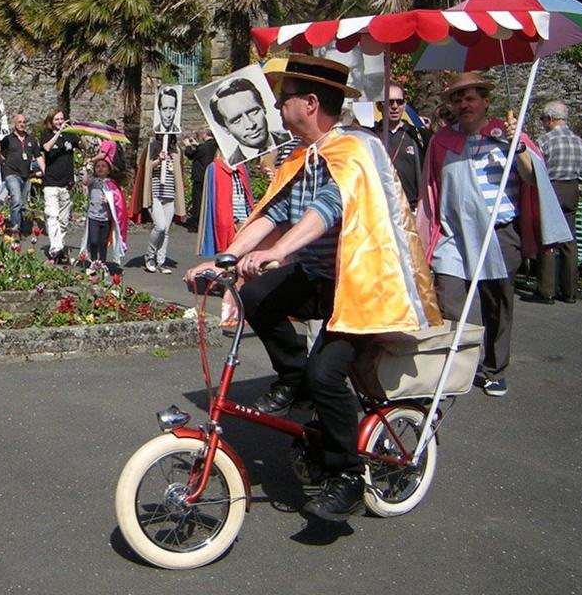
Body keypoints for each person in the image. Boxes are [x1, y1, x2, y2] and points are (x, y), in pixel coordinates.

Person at [186, 53, 441, 522]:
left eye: (284, 100)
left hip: (360, 288)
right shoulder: (300, 156)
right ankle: (293, 379)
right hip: (318, 280)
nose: (277, 107)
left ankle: (345, 474)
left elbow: (326, 208)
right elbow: (273, 212)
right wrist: (223, 260)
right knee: (253, 294)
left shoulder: (356, 150)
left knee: (327, 374)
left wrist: (279, 253)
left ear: (309, 103)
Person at [417, 73, 570, 398]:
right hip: (454, 237)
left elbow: (531, 179)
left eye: (470, 97)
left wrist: (518, 149)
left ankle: (494, 369)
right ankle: (449, 367)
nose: (463, 104)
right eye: (458, 99)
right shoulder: (442, 140)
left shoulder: (507, 135)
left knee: (497, 304)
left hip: (499, 235)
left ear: (486, 101)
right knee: (448, 303)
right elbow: (431, 189)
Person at [523, 101, 582, 305]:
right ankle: (569, 291)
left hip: (550, 187)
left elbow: (537, 168)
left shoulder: (545, 141)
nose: (543, 123)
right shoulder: (579, 142)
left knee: (548, 238)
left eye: (544, 119)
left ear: (550, 119)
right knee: (569, 239)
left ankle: (546, 289)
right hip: (571, 189)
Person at [131, 134, 186, 274]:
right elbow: (145, 168)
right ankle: (149, 256)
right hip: (155, 194)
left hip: (170, 194)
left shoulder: (176, 150)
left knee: (166, 230)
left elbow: (179, 172)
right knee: (160, 226)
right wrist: (158, 160)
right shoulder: (151, 148)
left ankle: (161, 262)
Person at [373, 84, 428, 211]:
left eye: (399, 102)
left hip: (412, 209)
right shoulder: (371, 136)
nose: (394, 107)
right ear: (379, 106)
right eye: (389, 102)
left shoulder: (418, 135)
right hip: (381, 209)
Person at [40, 110, 80, 262]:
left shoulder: (70, 136)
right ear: (51, 121)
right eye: (57, 119)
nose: (60, 121)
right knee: (52, 215)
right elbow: (47, 148)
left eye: (62, 119)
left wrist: (79, 132)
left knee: (63, 220)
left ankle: (60, 246)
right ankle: (55, 247)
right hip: (51, 183)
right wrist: (58, 133)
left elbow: (83, 146)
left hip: (66, 183)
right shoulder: (47, 135)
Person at [0, 114, 44, 234]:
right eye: (19, 122)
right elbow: (1, 160)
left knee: (22, 203)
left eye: (23, 122)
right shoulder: (8, 139)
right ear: (14, 124)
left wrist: (44, 170)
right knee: (16, 199)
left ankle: (20, 225)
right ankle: (15, 228)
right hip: (11, 173)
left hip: (26, 175)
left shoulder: (31, 139)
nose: (22, 124)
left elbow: (38, 156)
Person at [196, 154, 253, 256]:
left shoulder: (241, 166)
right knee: (230, 254)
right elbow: (215, 200)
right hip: (229, 217)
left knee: (245, 252)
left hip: (245, 216)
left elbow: (247, 193)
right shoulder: (215, 167)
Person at [209, 78, 272, 165]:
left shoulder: (292, 142)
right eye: (236, 120)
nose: (250, 124)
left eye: (253, 112)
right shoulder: (229, 165)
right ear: (225, 128)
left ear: (263, 108)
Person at [80, 158, 128, 267]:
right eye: (98, 166)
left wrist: (109, 199)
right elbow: (85, 182)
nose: (100, 168)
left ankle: (102, 262)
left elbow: (118, 200)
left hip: (106, 218)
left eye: (103, 166)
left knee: (103, 242)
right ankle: (93, 262)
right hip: (93, 217)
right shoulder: (93, 181)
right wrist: (86, 169)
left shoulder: (112, 184)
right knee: (93, 241)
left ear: (108, 170)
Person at [183, 129, 218, 231]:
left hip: (200, 177)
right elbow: (203, 152)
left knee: (198, 201)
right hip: (209, 176)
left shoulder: (204, 147)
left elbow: (191, 155)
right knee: (207, 199)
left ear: (205, 134)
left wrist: (187, 145)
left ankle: (197, 223)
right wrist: (197, 145)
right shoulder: (213, 145)